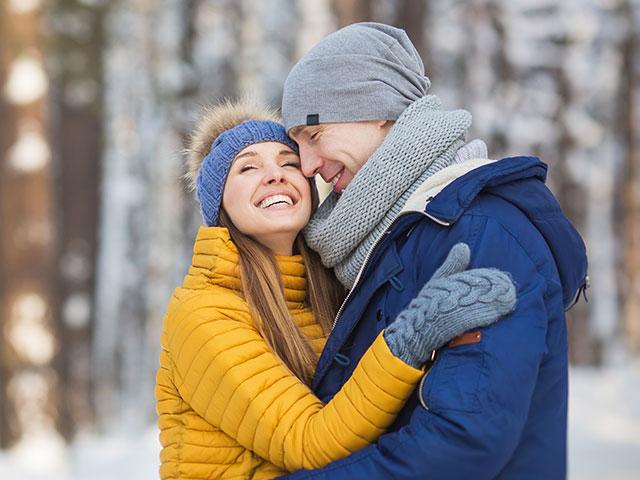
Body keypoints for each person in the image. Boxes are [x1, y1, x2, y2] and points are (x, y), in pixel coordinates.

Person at [280, 22, 589, 480]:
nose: (308, 167)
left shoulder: (482, 234)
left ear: (376, 110)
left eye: (315, 135)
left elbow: (463, 440)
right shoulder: (389, 236)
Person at [155, 100, 516, 479]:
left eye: (289, 163)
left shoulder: (330, 289)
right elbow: (309, 442)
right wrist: (412, 336)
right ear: (219, 206)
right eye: (248, 167)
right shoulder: (203, 313)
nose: (276, 175)